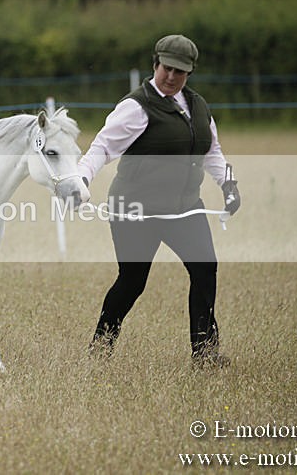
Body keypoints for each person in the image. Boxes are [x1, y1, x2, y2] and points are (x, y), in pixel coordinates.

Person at [77, 34, 240, 368]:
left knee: (205, 269)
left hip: (184, 206)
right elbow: (102, 147)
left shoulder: (198, 106)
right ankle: (100, 348)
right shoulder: (136, 107)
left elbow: (211, 151)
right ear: (156, 64)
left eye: (179, 72)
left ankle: (205, 355)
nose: (171, 77)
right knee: (133, 280)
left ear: (189, 73)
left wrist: (228, 184)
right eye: (167, 69)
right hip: (136, 208)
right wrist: (81, 179)